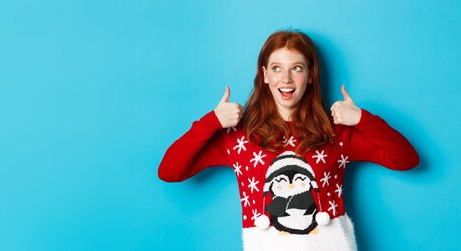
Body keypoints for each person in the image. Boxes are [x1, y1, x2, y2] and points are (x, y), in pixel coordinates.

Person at [157, 30, 419, 251]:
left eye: (296, 68)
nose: (286, 79)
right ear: (264, 75)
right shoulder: (239, 137)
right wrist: (212, 121)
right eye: (276, 68)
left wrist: (362, 118)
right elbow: (170, 171)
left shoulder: (336, 132)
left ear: (310, 75)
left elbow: (406, 159)